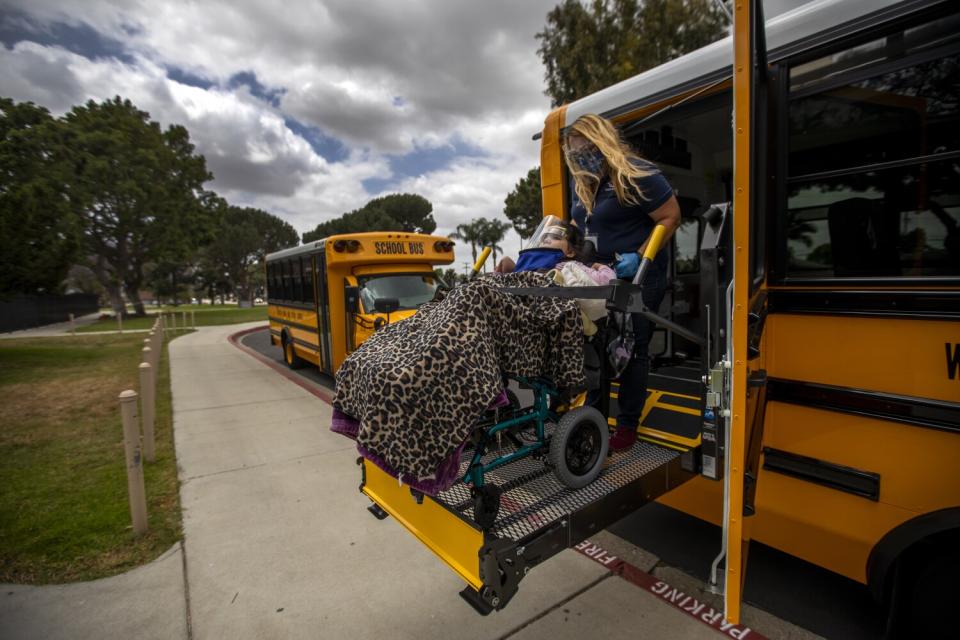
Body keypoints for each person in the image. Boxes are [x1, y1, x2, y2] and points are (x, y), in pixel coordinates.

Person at [563, 113, 681, 452]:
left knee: (632, 345)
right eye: (575, 153)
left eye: (587, 149)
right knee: (599, 343)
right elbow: (577, 219)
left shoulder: (636, 173)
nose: (582, 157)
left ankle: (628, 426)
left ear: (602, 141)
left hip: (641, 274)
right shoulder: (584, 182)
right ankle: (596, 418)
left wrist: (639, 257)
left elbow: (671, 215)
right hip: (603, 275)